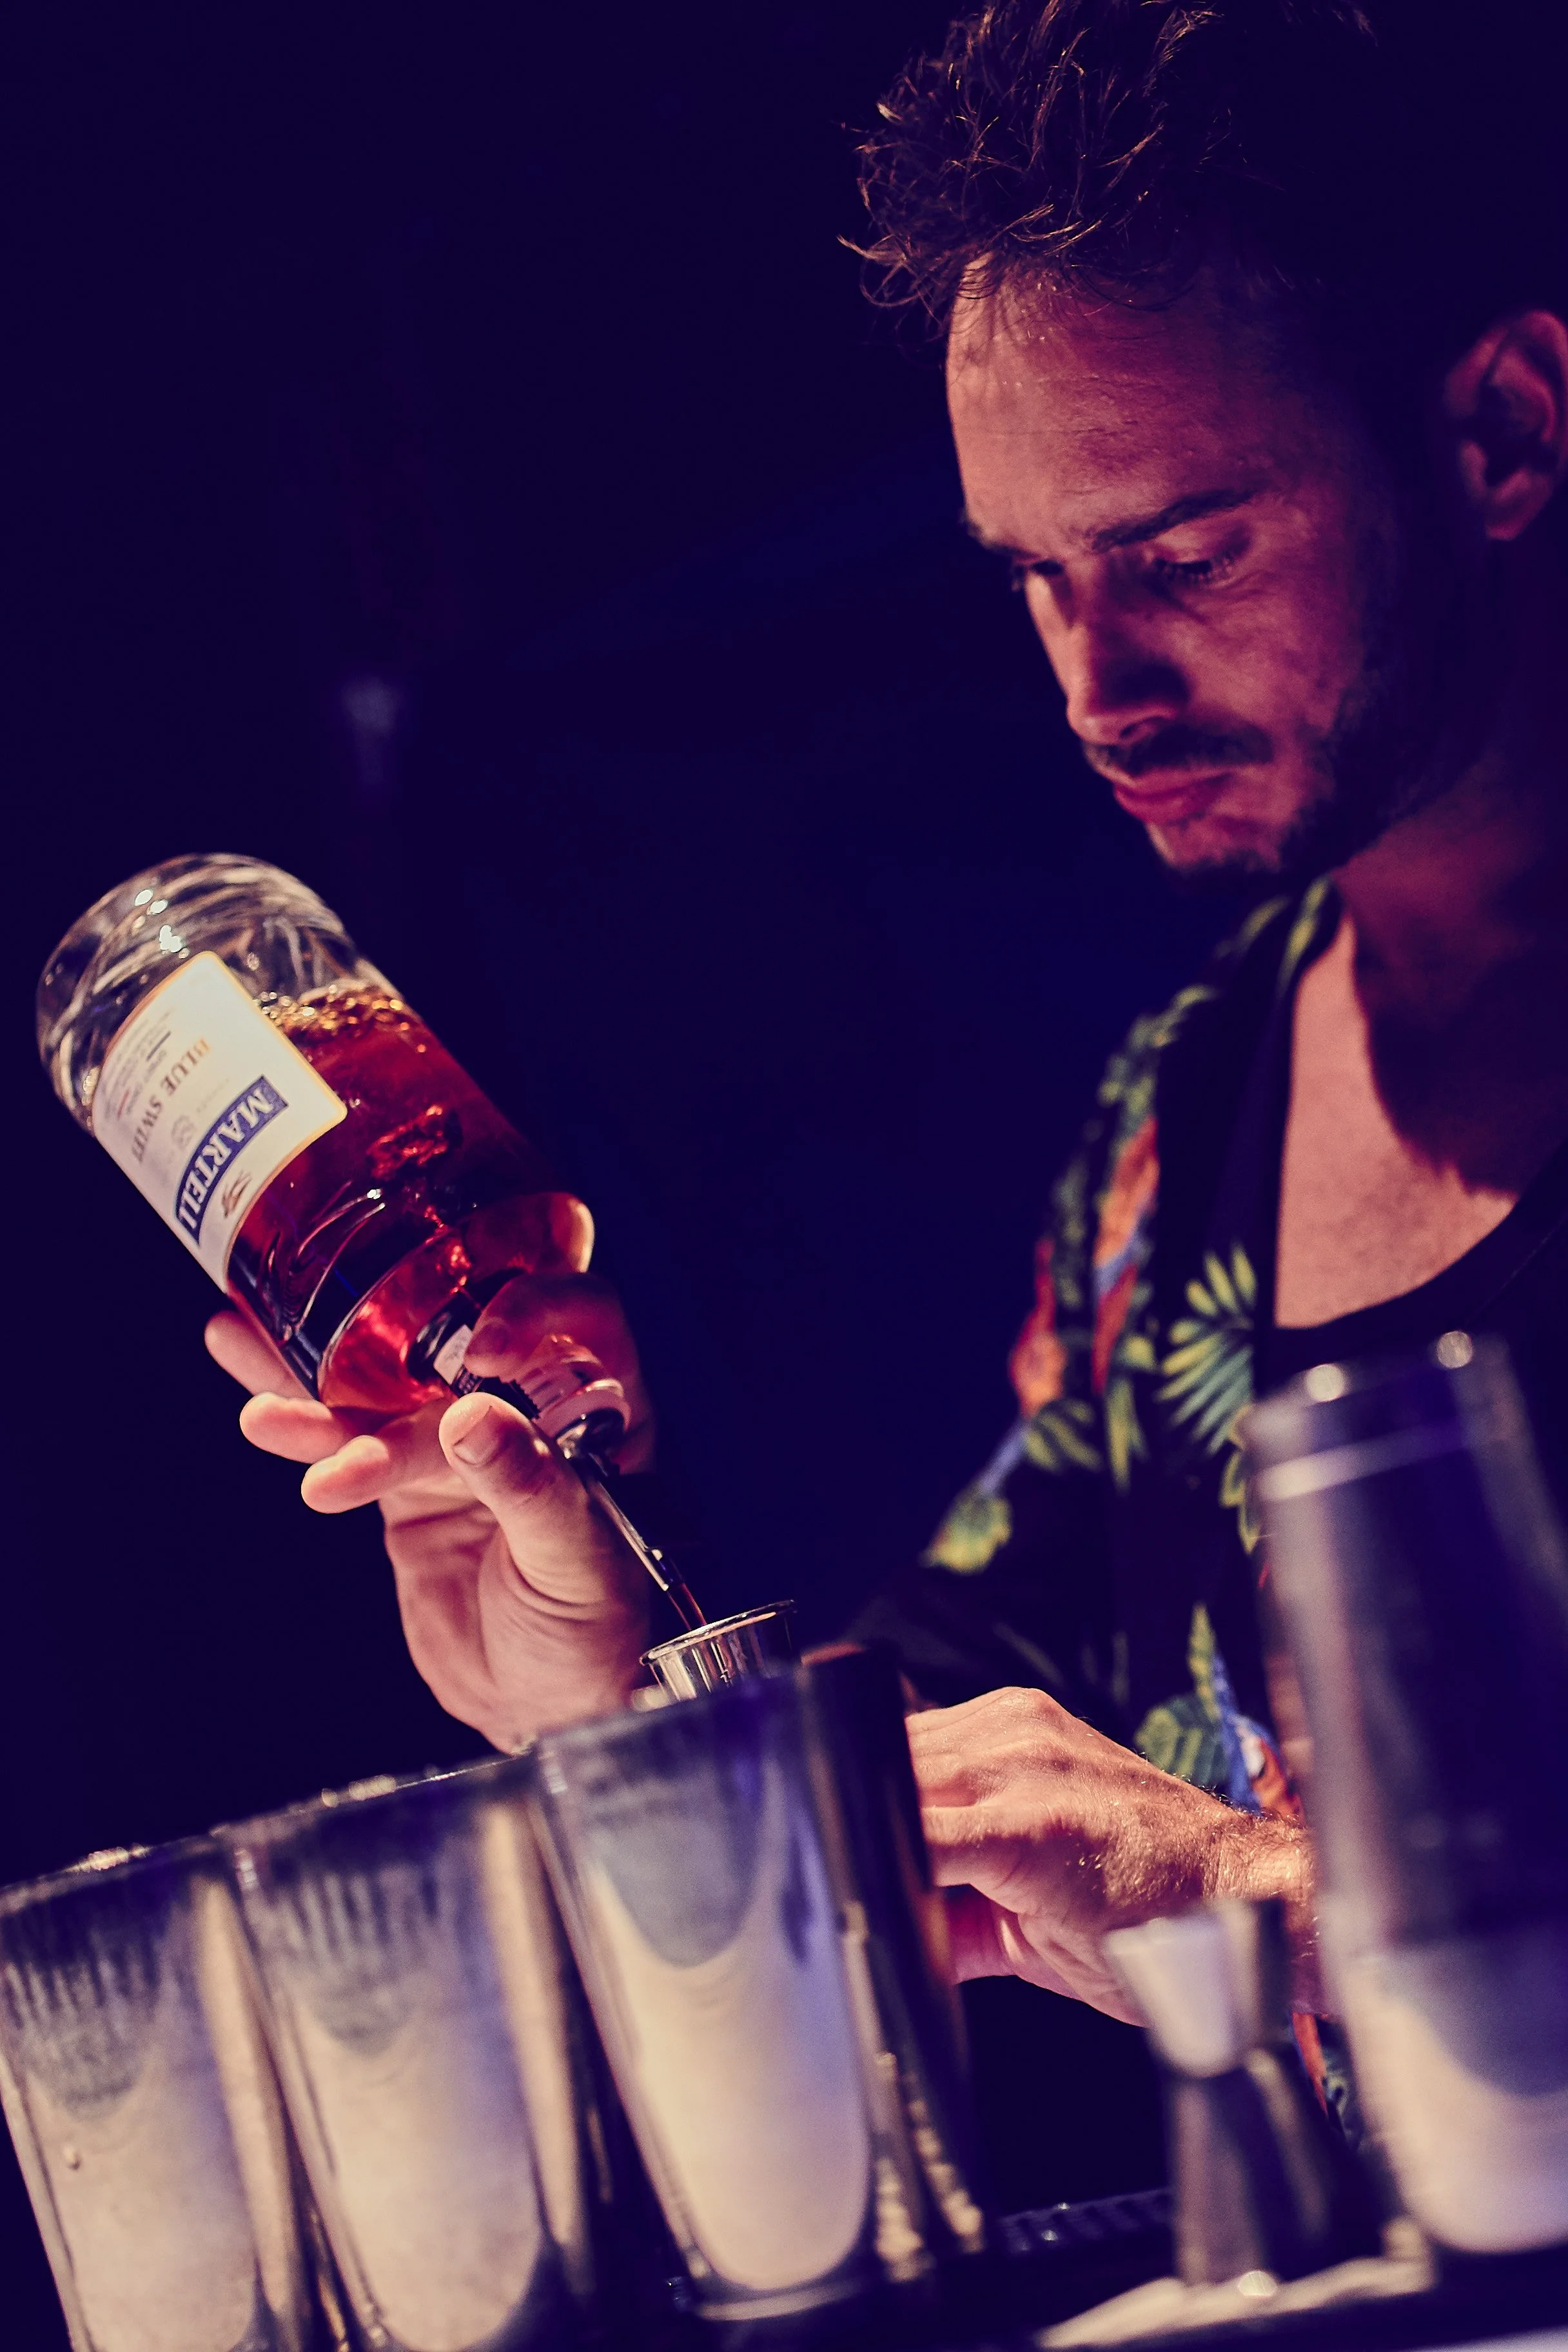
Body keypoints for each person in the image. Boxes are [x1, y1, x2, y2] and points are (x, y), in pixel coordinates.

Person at [206, 0, 1568, 2091]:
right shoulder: (1195, 1108)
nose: (1097, 683)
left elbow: (1175, 1866)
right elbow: (957, 1769)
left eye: (1184, 557)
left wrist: (1260, 1899)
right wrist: (606, 1679)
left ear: (1504, 432)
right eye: (1031, 581)